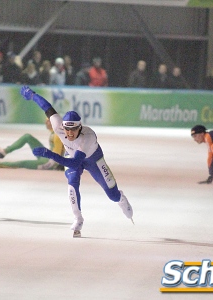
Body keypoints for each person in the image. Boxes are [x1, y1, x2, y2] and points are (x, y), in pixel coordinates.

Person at [20, 85, 133, 238]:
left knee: (112, 195)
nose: (70, 133)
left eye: (73, 129)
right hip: (71, 154)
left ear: (80, 128)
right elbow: (47, 107)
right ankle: (78, 219)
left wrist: (49, 154)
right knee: (72, 184)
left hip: (93, 159)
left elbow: (74, 163)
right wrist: (32, 95)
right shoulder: (59, 126)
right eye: (67, 129)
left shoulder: (87, 137)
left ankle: (120, 198)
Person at [0, 119, 64, 171]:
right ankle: (4, 151)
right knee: (27, 137)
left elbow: (58, 155)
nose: (45, 122)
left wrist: (60, 165)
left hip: (51, 162)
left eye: (47, 121)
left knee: (23, 163)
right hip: (48, 156)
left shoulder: (57, 135)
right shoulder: (54, 132)